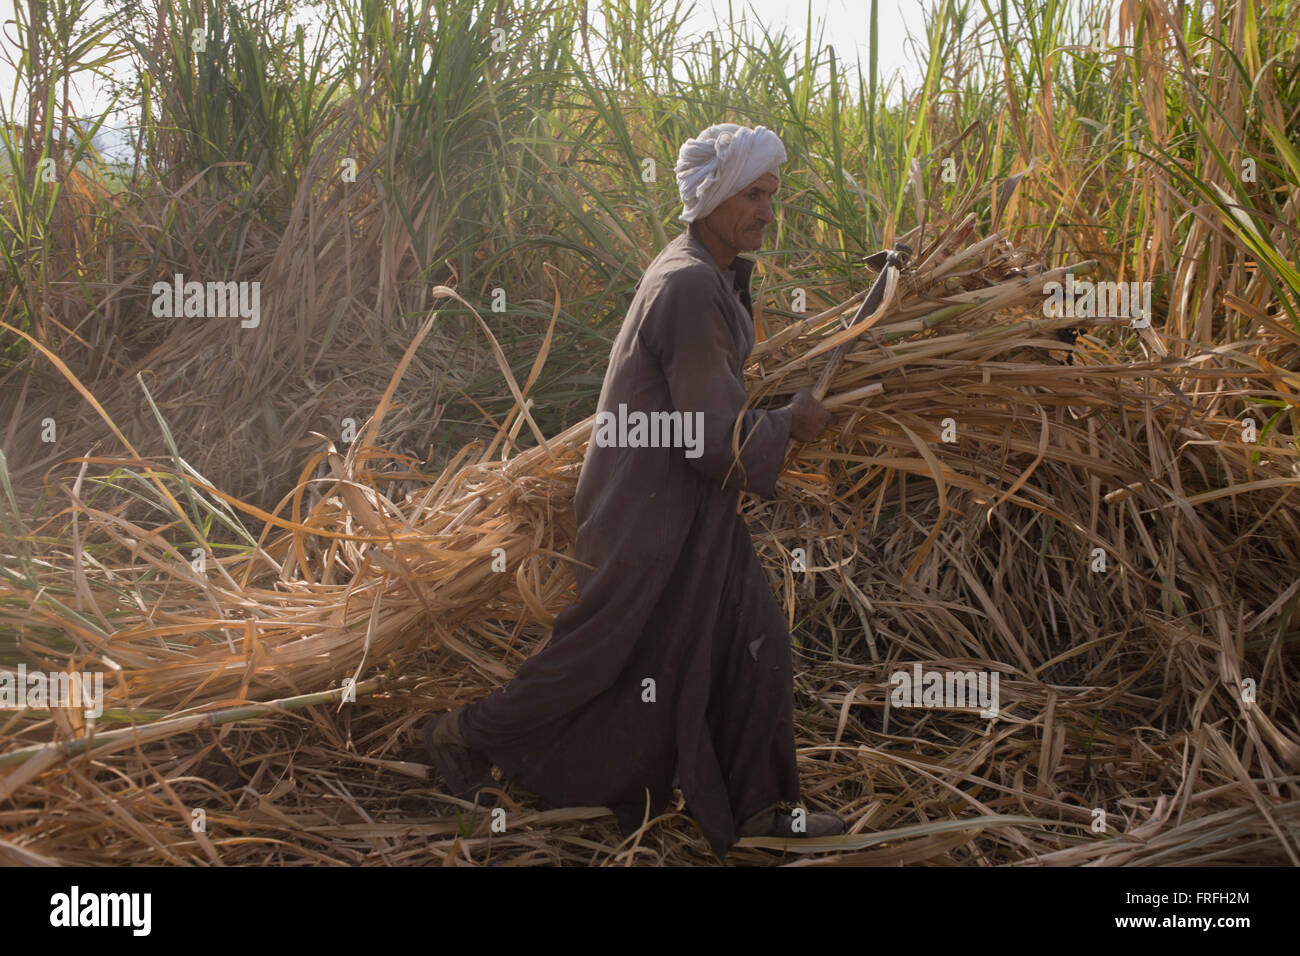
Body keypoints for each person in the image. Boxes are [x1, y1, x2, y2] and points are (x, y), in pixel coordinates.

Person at [423, 123, 844, 857]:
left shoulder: (706, 273)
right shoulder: (687, 285)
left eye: (772, 195)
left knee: (754, 642)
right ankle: (463, 733)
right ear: (711, 196)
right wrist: (790, 423)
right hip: (646, 514)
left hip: (685, 510)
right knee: (595, 656)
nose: (767, 212)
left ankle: (760, 808)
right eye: (753, 194)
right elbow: (713, 442)